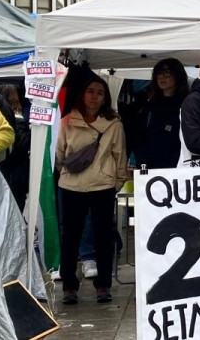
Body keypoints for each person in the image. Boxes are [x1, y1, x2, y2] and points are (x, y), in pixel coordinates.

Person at [55, 76, 128, 304]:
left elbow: (120, 157)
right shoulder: (67, 121)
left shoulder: (114, 124)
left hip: (102, 186)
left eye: (100, 92)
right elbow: (59, 154)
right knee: (70, 237)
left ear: (105, 97)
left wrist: (113, 184)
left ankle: (103, 285)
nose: (95, 96)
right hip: (71, 186)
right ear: (82, 94)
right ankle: (69, 286)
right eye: (90, 91)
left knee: (103, 238)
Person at [132, 58, 188, 169]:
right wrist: (141, 160)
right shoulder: (149, 106)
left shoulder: (187, 105)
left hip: (179, 168)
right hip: (150, 169)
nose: (162, 77)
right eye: (158, 73)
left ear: (177, 75)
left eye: (167, 73)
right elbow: (138, 137)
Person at [0, 83, 31, 211]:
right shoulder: (19, 120)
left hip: (7, 169)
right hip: (17, 171)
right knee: (17, 205)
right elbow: (24, 144)